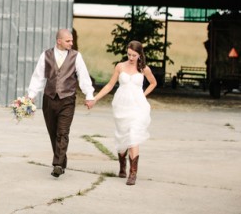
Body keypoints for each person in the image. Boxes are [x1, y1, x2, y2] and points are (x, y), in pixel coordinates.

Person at [87, 40, 157, 185]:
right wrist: (95, 99)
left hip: (137, 107)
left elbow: (153, 83)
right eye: (129, 54)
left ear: (139, 55)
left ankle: (133, 174)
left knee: (133, 135)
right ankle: (122, 165)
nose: (131, 58)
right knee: (122, 137)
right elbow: (110, 85)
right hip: (121, 105)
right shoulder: (120, 66)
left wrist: (143, 95)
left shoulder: (144, 69)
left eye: (134, 55)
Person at [27, 29, 95, 178]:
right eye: (68, 41)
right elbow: (38, 77)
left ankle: (57, 164)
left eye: (71, 40)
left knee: (62, 132)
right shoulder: (46, 55)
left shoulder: (76, 56)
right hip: (49, 99)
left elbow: (83, 77)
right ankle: (62, 161)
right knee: (53, 133)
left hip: (67, 99)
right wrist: (31, 95)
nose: (71, 43)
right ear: (59, 41)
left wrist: (89, 95)